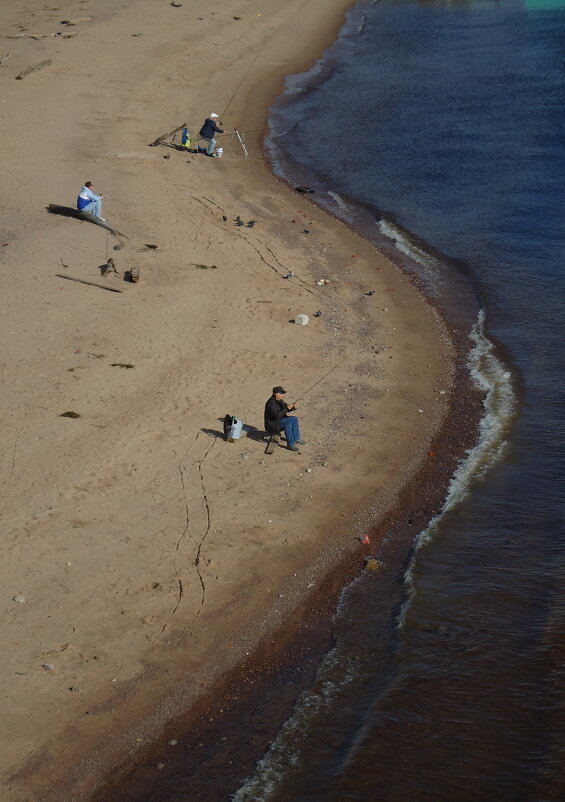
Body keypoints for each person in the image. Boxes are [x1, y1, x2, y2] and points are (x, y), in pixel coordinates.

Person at [264, 386, 305, 452]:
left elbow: (285, 407)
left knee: (294, 419)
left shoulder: (279, 400)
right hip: (273, 424)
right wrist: (287, 408)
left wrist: (292, 407)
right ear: (276, 394)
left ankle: (296, 439)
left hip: (279, 420)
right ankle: (290, 444)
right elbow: (277, 415)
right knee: (287, 425)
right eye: (282, 393)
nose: (283, 395)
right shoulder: (270, 404)